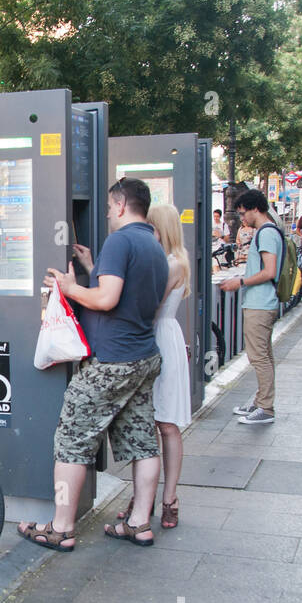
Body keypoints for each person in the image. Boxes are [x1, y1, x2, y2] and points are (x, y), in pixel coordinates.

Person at [17, 177, 168, 550]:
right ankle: (139, 523)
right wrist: (92, 265)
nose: (106, 214)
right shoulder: (153, 243)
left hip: (112, 361)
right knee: (142, 441)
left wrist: (69, 288)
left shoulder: (120, 240)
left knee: (70, 440)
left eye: (107, 208)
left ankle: (62, 527)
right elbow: (133, 294)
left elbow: (108, 298)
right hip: (143, 356)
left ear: (119, 205)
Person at [118, 204, 191, 529]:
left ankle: (167, 498)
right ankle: (149, 498)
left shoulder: (172, 263)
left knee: (165, 424)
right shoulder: (173, 260)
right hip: (162, 337)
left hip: (159, 336)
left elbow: (148, 301)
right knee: (154, 424)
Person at [220, 189, 279, 424]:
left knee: (259, 357)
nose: (242, 219)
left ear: (255, 208)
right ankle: (260, 402)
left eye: (243, 214)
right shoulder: (269, 231)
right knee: (263, 355)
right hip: (262, 302)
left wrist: (240, 281)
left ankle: (265, 407)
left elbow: (269, 271)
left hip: (260, 303)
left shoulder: (265, 234)